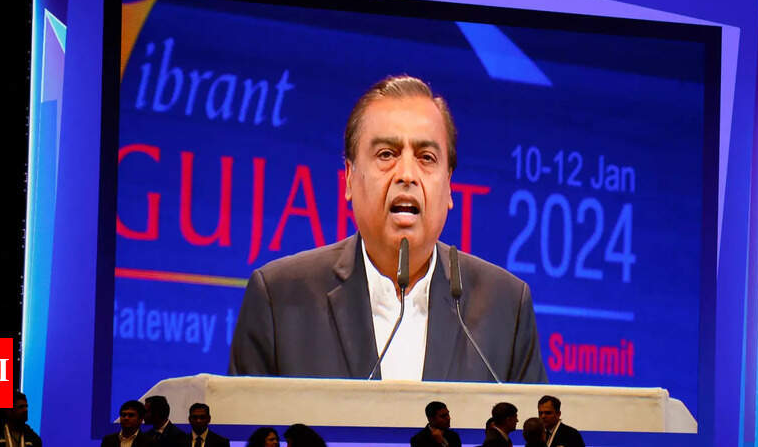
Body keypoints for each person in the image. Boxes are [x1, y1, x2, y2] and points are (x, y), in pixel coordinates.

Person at [229, 76, 546, 382]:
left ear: (449, 185)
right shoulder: (278, 299)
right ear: (349, 177)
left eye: (426, 158)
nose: (407, 174)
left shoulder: (505, 308)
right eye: (386, 155)